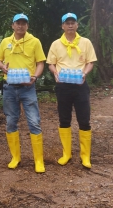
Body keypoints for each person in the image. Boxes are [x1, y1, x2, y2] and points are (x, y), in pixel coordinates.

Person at [0, 13, 46, 173]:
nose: (20, 26)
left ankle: (39, 160)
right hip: (9, 87)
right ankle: (15, 157)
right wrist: (2, 67)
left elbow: (40, 62)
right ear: (13, 25)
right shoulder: (5, 42)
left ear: (27, 26)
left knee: (34, 121)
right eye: (18, 23)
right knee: (11, 121)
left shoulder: (34, 41)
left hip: (27, 87)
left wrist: (35, 77)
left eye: (24, 23)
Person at [47, 13, 97, 169]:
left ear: (77, 25)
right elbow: (51, 63)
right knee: (64, 119)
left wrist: (85, 73)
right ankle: (66, 154)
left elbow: (90, 62)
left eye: (72, 22)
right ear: (62, 26)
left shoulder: (85, 42)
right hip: (63, 85)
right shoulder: (56, 44)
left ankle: (85, 156)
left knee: (84, 119)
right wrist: (55, 73)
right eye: (67, 23)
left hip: (80, 84)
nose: (70, 25)